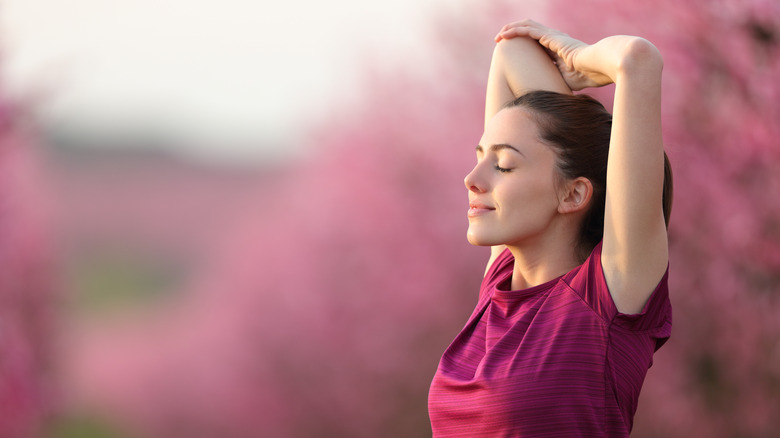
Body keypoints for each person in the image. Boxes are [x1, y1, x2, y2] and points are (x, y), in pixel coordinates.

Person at [428, 20, 673, 437]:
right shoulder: (499, 284)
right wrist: (577, 125)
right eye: (481, 157)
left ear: (574, 196)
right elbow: (511, 52)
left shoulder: (607, 297)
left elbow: (637, 59)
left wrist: (581, 59)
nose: (472, 178)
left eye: (503, 164)